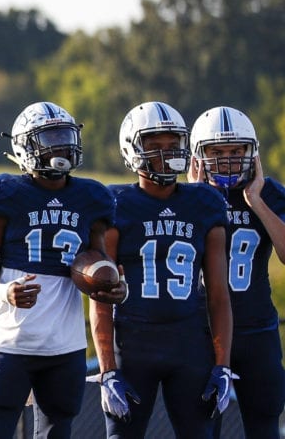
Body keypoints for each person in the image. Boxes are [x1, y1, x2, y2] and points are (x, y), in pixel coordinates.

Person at [0, 101, 124, 438]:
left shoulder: (92, 198)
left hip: (65, 347)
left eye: (65, 137)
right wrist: (3, 291)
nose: (60, 147)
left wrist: (116, 288)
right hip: (12, 343)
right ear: (24, 146)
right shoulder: (6, 194)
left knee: (57, 430)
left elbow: (102, 266)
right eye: (48, 138)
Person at [88, 101, 234, 438]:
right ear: (133, 150)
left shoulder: (205, 202)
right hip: (134, 346)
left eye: (173, 144)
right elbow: (101, 297)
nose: (167, 153)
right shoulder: (115, 203)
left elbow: (217, 293)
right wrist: (107, 370)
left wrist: (223, 365)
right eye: (155, 146)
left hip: (190, 345)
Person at [189, 105, 285, 438]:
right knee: (203, 429)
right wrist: (198, 197)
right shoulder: (187, 198)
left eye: (236, 150)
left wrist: (256, 201)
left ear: (252, 153)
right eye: (217, 151)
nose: (228, 158)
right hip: (203, 333)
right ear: (199, 155)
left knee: (264, 428)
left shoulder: (271, 193)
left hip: (258, 331)